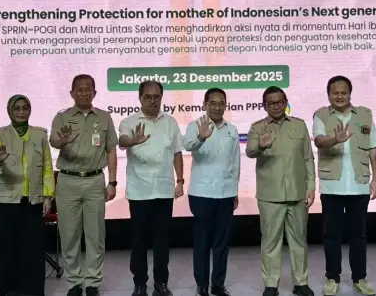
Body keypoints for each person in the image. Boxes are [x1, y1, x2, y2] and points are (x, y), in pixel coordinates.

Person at [50, 75, 119, 296]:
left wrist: (112, 182)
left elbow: (111, 150)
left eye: (88, 89)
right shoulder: (62, 117)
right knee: (69, 234)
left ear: (95, 93)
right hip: (68, 180)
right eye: (79, 89)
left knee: (95, 234)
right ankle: (74, 282)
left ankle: (92, 282)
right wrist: (63, 141)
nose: (84, 93)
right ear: (72, 93)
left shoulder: (104, 117)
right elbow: (53, 141)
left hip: (94, 180)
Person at [312, 76, 376, 296]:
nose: (339, 96)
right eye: (335, 93)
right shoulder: (321, 115)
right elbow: (318, 141)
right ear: (328, 95)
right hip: (332, 186)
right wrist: (335, 139)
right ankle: (332, 278)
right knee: (332, 236)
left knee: (358, 235)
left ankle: (360, 278)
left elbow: (373, 148)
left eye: (343, 93)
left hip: (359, 186)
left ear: (350, 94)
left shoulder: (365, 115)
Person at [247, 86, 315, 296]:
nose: (276, 106)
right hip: (270, 195)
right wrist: (261, 145)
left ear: (286, 102)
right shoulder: (257, 128)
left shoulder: (299, 126)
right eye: (271, 103)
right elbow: (250, 151)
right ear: (264, 106)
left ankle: (301, 283)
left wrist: (311, 186)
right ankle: (271, 284)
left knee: (299, 240)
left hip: (297, 192)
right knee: (270, 241)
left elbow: (308, 158)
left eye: (279, 102)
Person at [119, 80, 184, 296]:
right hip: (140, 191)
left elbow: (177, 153)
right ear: (140, 98)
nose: (153, 101)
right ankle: (139, 283)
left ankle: (161, 283)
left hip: (164, 190)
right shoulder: (129, 121)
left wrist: (180, 180)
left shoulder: (170, 122)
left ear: (161, 98)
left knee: (162, 241)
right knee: (139, 240)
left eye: (157, 97)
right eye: (148, 97)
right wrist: (133, 141)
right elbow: (122, 140)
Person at [0, 95, 56, 296]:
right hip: (5, 201)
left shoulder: (40, 135)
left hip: (32, 200)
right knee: (8, 250)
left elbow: (47, 167)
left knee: (33, 250)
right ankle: (10, 291)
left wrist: (47, 196)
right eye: (16, 108)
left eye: (25, 108)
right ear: (10, 111)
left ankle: (33, 291)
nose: (21, 111)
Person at [184, 88, 239, 296]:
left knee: (222, 243)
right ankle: (202, 285)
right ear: (205, 105)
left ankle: (218, 284)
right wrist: (201, 137)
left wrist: (235, 190)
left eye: (221, 103)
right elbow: (188, 145)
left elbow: (235, 162)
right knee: (202, 242)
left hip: (226, 192)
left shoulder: (232, 130)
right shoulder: (195, 125)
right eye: (213, 103)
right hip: (201, 193)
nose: (217, 107)